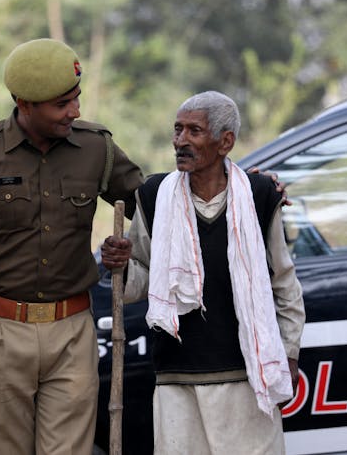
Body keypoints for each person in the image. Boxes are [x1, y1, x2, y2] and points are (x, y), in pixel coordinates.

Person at [0, 38, 144, 455]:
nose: (75, 111)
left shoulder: (96, 148)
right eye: (62, 104)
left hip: (72, 332)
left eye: (76, 99)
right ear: (24, 104)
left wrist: (244, 188)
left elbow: (157, 207)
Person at [101, 91, 305, 455]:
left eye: (194, 131)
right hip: (178, 379)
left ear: (225, 141)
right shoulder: (153, 197)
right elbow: (141, 283)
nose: (180, 141)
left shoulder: (259, 196)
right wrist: (120, 265)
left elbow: (283, 283)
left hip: (247, 377)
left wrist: (288, 354)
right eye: (177, 130)